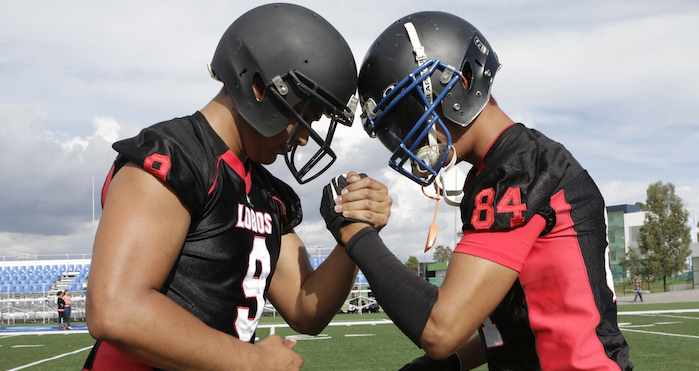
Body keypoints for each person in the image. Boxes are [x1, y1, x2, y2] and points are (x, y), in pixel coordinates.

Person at [83, 4, 391, 371]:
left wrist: (353, 234)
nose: (305, 136)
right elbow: (115, 308)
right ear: (259, 87)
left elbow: (305, 307)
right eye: (302, 116)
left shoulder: (265, 191)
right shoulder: (173, 157)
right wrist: (248, 360)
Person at [320, 11, 632, 371]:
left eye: (409, 110)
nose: (406, 134)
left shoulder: (518, 169)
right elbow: (508, 325)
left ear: (464, 78)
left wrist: (356, 234)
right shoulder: (498, 171)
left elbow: (441, 329)